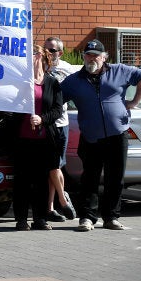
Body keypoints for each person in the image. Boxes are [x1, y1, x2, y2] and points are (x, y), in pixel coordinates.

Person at [61, 39, 141, 231]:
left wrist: (134, 102)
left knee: (115, 178)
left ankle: (111, 217)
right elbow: (55, 98)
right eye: (88, 54)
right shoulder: (74, 81)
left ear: (104, 57)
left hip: (117, 135)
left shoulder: (119, 71)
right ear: (84, 56)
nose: (91, 58)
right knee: (89, 178)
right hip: (91, 137)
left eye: (96, 55)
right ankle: (87, 218)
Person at [12, 45, 63, 231]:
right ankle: (21, 219)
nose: (32, 57)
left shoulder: (52, 83)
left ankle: (40, 218)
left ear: (43, 57)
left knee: (41, 181)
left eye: (35, 53)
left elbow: (57, 110)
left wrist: (42, 118)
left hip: (45, 141)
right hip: (23, 140)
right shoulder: (20, 82)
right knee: (22, 181)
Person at [44, 37, 77, 222]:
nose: (49, 53)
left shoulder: (67, 69)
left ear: (60, 53)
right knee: (51, 166)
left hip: (61, 123)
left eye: (53, 50)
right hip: (44, 123)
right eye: (46, 49)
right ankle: (63, 201)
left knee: (56, 166)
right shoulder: (38, 67)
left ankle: (50, 207)